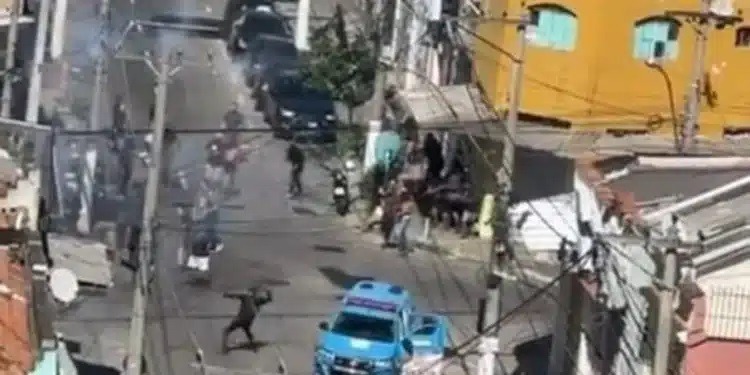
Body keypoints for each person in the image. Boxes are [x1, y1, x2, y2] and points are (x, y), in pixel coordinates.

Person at [221, 285, 273, 353]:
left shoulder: (246, 296)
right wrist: (268, 291)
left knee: (226, 331)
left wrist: (227, 295)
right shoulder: (258, 300)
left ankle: (225, 348)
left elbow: (235, 296)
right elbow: (269, 299)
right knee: (247, 330)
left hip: (240, 319)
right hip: (248, 320)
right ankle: (253, 346)